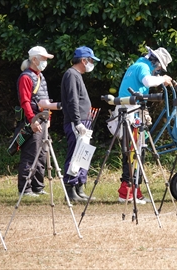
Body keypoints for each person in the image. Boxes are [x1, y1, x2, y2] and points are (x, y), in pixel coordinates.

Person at [116, 46, 173, 204]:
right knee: (133, 152)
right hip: (131, 113)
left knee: (138, 152)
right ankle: (126, 192)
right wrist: (163, 79)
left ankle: (135, 190)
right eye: (160, 67)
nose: (159, 70)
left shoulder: (136, 66)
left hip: (133, 111)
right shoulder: (142, 67)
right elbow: (148, 81)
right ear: (156, 62)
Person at [61, 46, 100, 202]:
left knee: (84, 155)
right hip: (76, 122)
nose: (91, 64)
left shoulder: (77, 75)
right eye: (90, 60)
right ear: (84, 60)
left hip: (85, 120)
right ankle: (70, 191)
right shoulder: (71, 75)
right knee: (74, 155)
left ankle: (80, 187)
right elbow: (72, 100)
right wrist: (77, 122)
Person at [17, 46, 55, 197]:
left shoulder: (40, 76)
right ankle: (25, 189)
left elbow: (45, 100)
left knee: (42, 154)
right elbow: (25, 101)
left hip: (43, 120)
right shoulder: (26, 77)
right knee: (30, 153)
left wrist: (49, 118)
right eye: (43, 58)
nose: (45, 61)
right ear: (34, 59)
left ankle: (38, 186)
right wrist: (33, 120)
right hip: (33, 121)